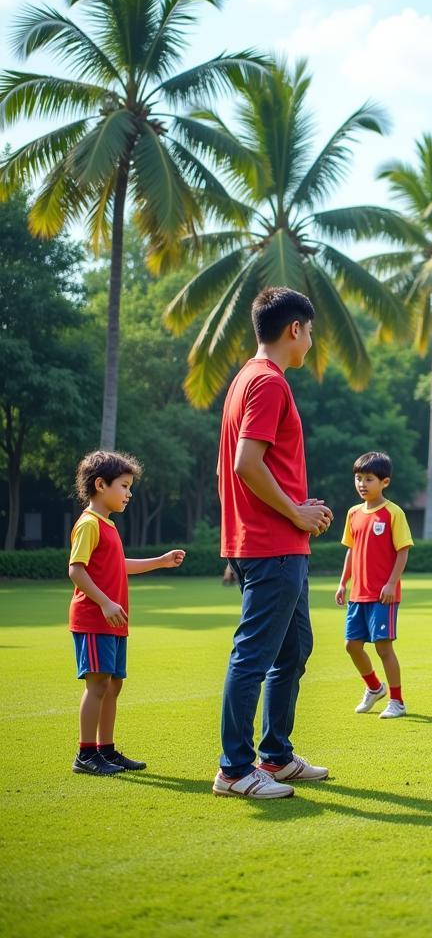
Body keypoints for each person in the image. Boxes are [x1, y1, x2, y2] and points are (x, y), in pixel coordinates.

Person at [214, 287, 334, 800]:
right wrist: (298, 513)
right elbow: (244, 464)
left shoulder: (246, 379)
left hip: (272, 543)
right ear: (295, 330)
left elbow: (230, 466)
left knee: (294, 649)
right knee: (254, 656)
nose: (311, 342)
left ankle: (276, 757)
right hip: (272, 546)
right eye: (311, 333)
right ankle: (235, 770)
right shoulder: (268, 383)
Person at [68, 451, 185, 776]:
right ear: (100, 484)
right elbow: (76, 570)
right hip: (94, 619)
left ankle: (106, 750)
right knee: (97, 685)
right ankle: (86, 754)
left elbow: (118, 566)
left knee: (113, 685)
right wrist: (105, 602)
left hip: (114, 622)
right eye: (124, 485)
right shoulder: (89, 524)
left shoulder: (108, 526)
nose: (129, 493)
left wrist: (159, 562)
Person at [335, 451, 414, 719]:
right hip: (358, 594)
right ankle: (374, 687)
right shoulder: (353, 514)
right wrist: (343, 583)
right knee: (351, 645)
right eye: (358, 478)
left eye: (369, 479)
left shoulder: (393, 513)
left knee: (383, 647)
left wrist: (392, 583)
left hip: (383, 595)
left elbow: (403, 550)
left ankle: (397, 701)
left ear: (385, 482)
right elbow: (350, 550)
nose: (362, 484)